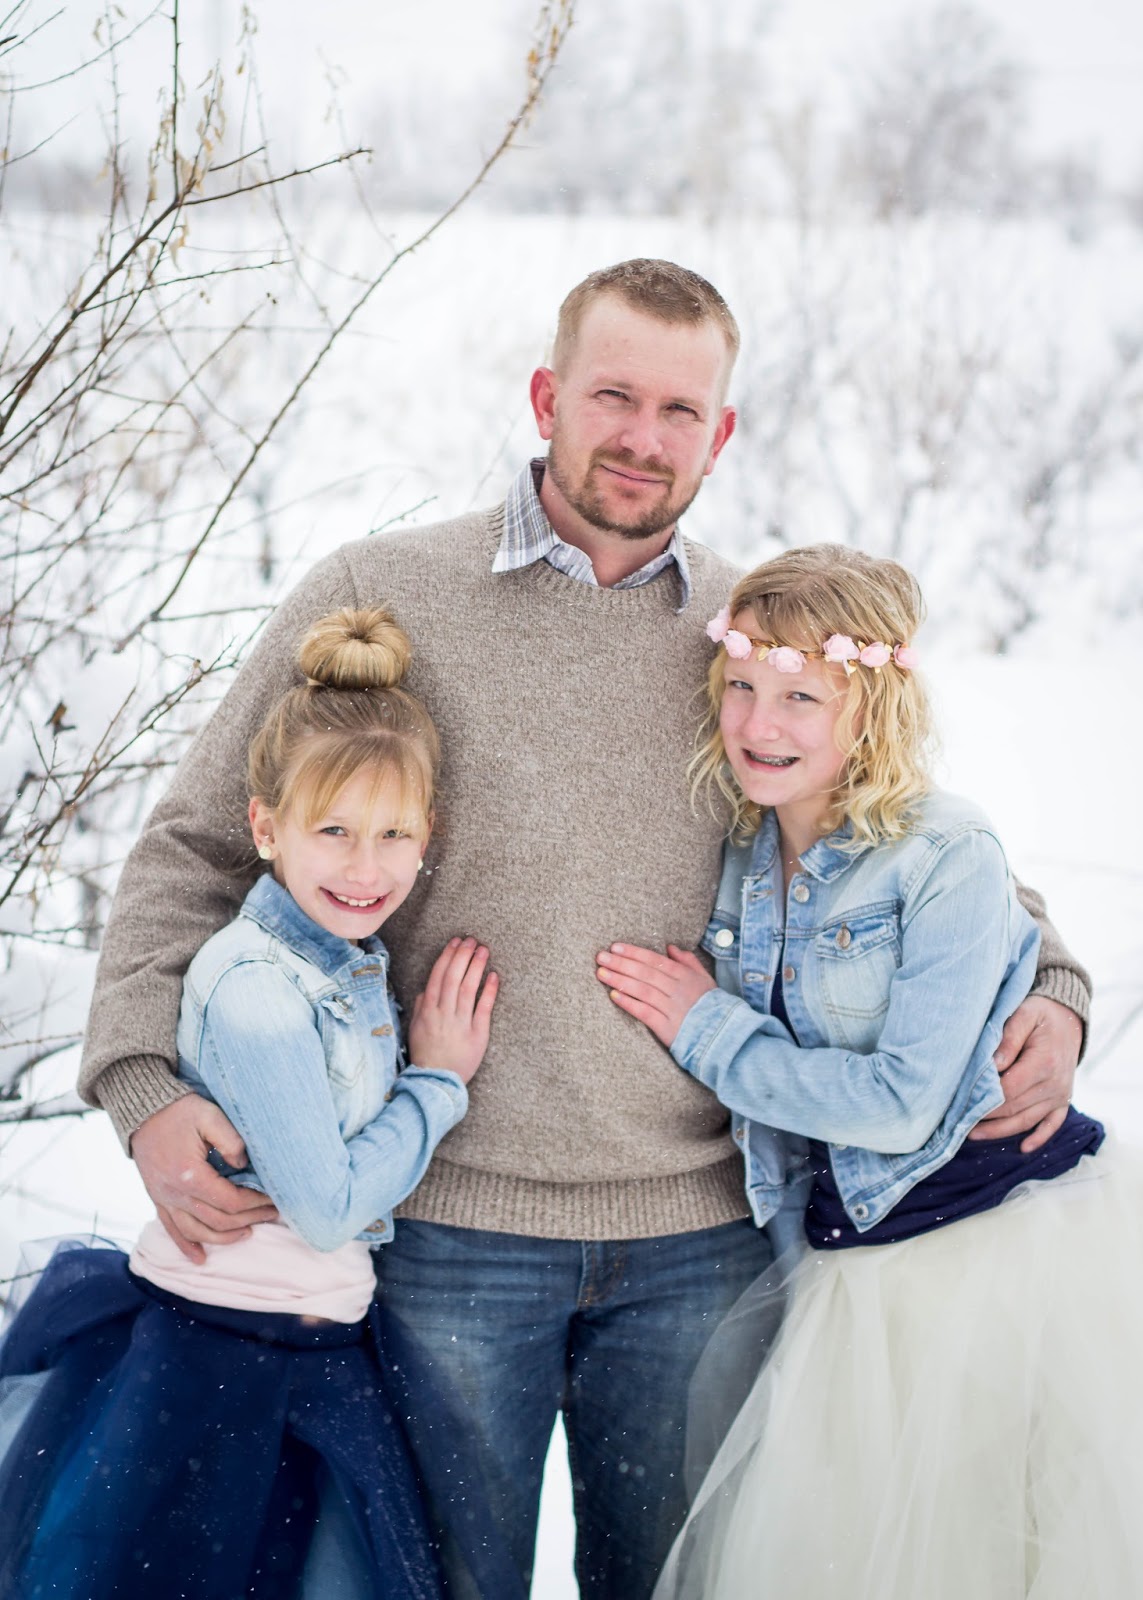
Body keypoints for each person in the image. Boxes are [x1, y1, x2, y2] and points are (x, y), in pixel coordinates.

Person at [78, 261, 1090, 1599]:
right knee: (449, 1583)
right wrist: (141, 1082)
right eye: (613, 395)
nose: (641, 436)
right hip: (448, 1226)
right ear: (547, 396)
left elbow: (897, 835)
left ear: (721, 434)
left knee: (671, 1583)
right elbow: (200, 843)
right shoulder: (385, 591)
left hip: (699, 1238)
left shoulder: (754, 638)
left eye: (680, 410)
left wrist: (1055, 985)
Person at [595, 545, 1138, 1599]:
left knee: (979, 1549)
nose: (758, 723)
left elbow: (900, 1106)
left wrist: (709, 1030)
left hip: (989, 1245)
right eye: (741, 687)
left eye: (801, 697)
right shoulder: (743, 845)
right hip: (846, 1250)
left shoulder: (945, 853)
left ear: (873, 706)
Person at [0, 607, 512, 1600]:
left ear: (428, 836)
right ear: (265, 827)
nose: (365, 867)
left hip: (310, 1348)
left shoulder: (347, 964)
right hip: (218, 1364)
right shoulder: (258, 992)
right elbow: (324, 1208)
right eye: (333, 831)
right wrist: (438, 1082)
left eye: (393, 833)